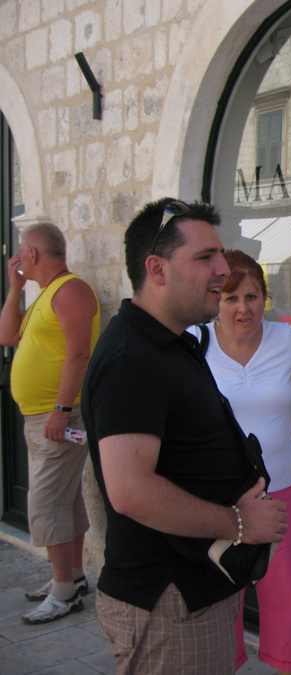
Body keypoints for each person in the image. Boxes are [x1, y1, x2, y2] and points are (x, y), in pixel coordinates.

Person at [81, 198, 288, 674]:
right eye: (205, 257)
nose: (222, 269)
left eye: (220, 254)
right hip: (167, 605)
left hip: (191, 595)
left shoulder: (171, 341)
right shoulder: (133, 356)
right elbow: (131, 489)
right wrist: (239, 524)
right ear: (156, 269)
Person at [188, 249, 291, 674]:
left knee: (287, 598)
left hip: (280, 491)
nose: (243, 308)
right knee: (221, 598)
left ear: (264, 298)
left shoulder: (285, 339)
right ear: (216, 298)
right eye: (231, 298)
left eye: (253, 297)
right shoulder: (194, 345)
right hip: (220, 497)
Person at [0, 223, 100, 624]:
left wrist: (60, 410)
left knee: (44, 503)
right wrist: (13, 288)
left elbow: (80, 354)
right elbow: (7, 335)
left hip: (59, 415)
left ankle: (63, 592)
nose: (18, 259)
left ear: (33, 255)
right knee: (65, 499)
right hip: (42, 417)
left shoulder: (70, 289)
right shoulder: (45, 294)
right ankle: (73, 577)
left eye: (21, 252)